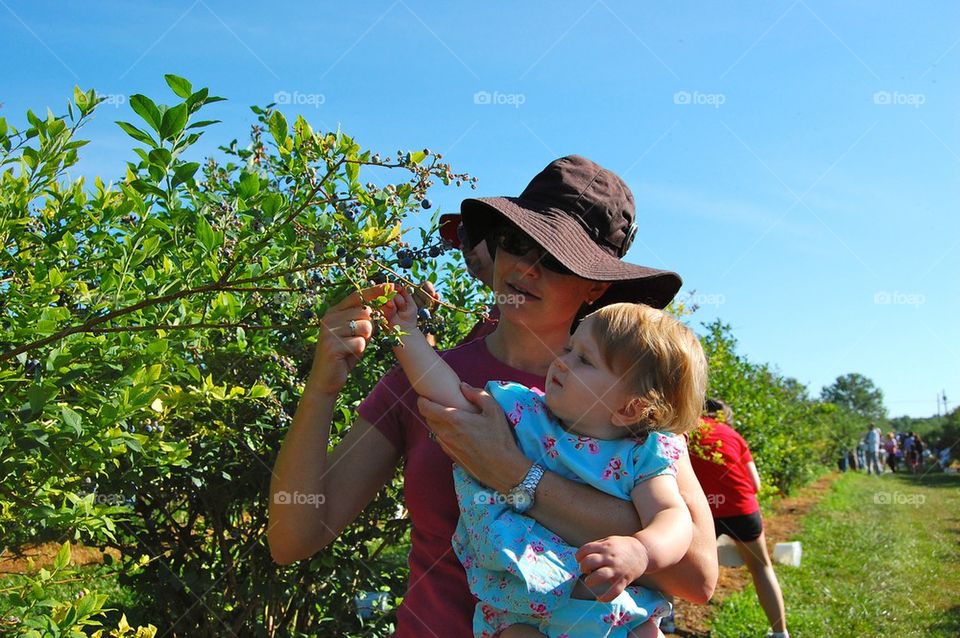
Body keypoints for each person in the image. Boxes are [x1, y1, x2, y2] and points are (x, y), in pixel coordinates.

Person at [268, 155, 719, 637]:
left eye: (556, 258)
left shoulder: (623, 397)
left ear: (597, 286)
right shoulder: (425, 377)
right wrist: (322, 387)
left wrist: (512, 472)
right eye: (518, 242)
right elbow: (293, 538)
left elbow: (695, 577)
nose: (527, 266)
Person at [384, 286, 706, 637]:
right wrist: (407, 333)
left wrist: (642, 550)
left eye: (584, 360)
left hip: (618, 614)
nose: (561, 362)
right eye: (570, 349)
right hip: (525, 613)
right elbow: (447, 390)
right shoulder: (524, 414)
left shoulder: (641, 455)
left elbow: (671, 517)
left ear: (630, 408)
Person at [688, 400, 789, 638]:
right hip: (742, 510)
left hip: (704, 512)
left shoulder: (684, 431)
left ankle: (665, 622)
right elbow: (755, 484)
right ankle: (780, 632)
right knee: (762, 568)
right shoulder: (734, 436)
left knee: (669, 565)